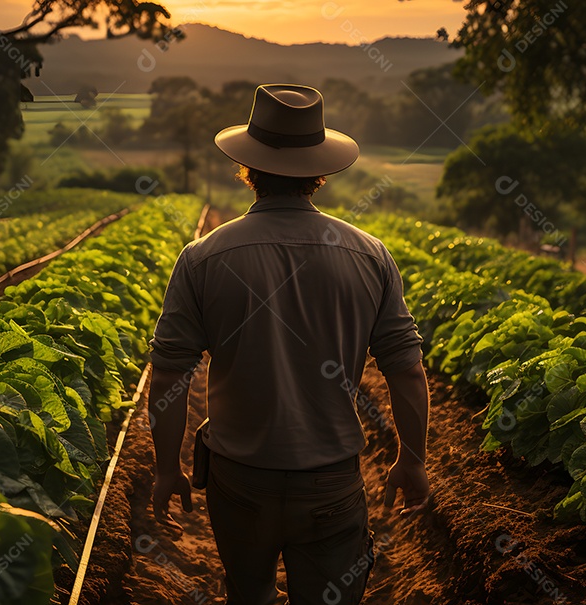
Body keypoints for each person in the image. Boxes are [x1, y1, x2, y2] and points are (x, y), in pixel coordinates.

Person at [148, 83, 430, 605]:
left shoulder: (202, 257)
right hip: (330, 482)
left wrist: (169, 469)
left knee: (248, 594)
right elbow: (407, 371)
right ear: (318, 173)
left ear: (248, 169)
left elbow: (169, 374)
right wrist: (412, 460)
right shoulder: (370, 256)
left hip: (238, 481)